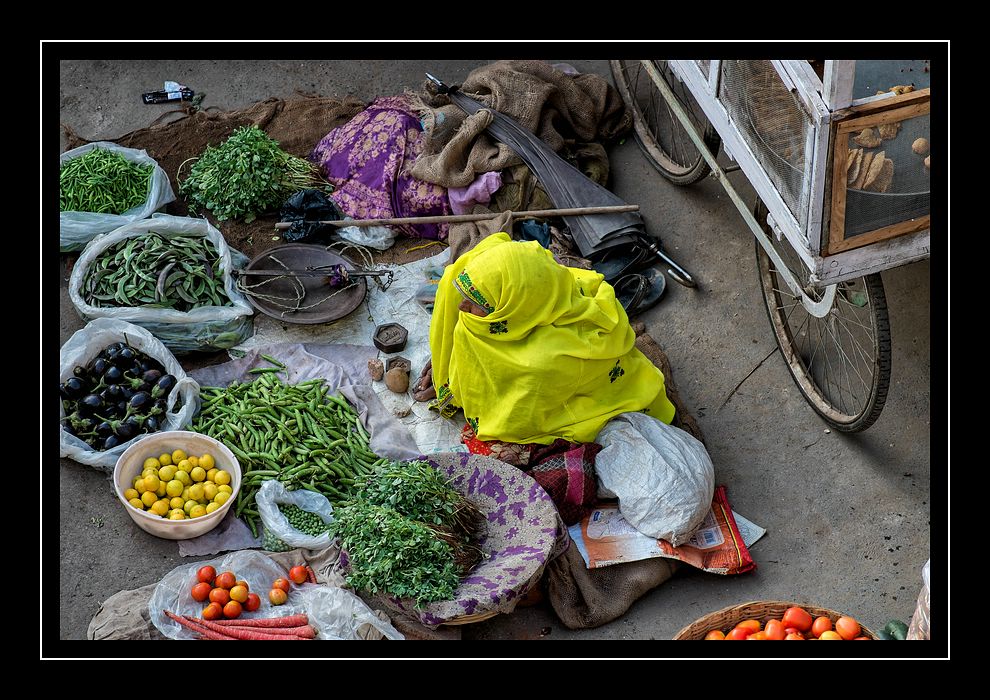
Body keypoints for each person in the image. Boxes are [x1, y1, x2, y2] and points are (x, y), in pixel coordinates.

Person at [413, 232, 675, 445]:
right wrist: (446, 366)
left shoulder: (544, 363)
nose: (462, 308)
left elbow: (516, 415)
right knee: (455, 296)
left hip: (573, 382)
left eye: (473, 303)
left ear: (512, 309)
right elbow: (460, 290)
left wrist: (462, 387)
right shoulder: (522, 288)